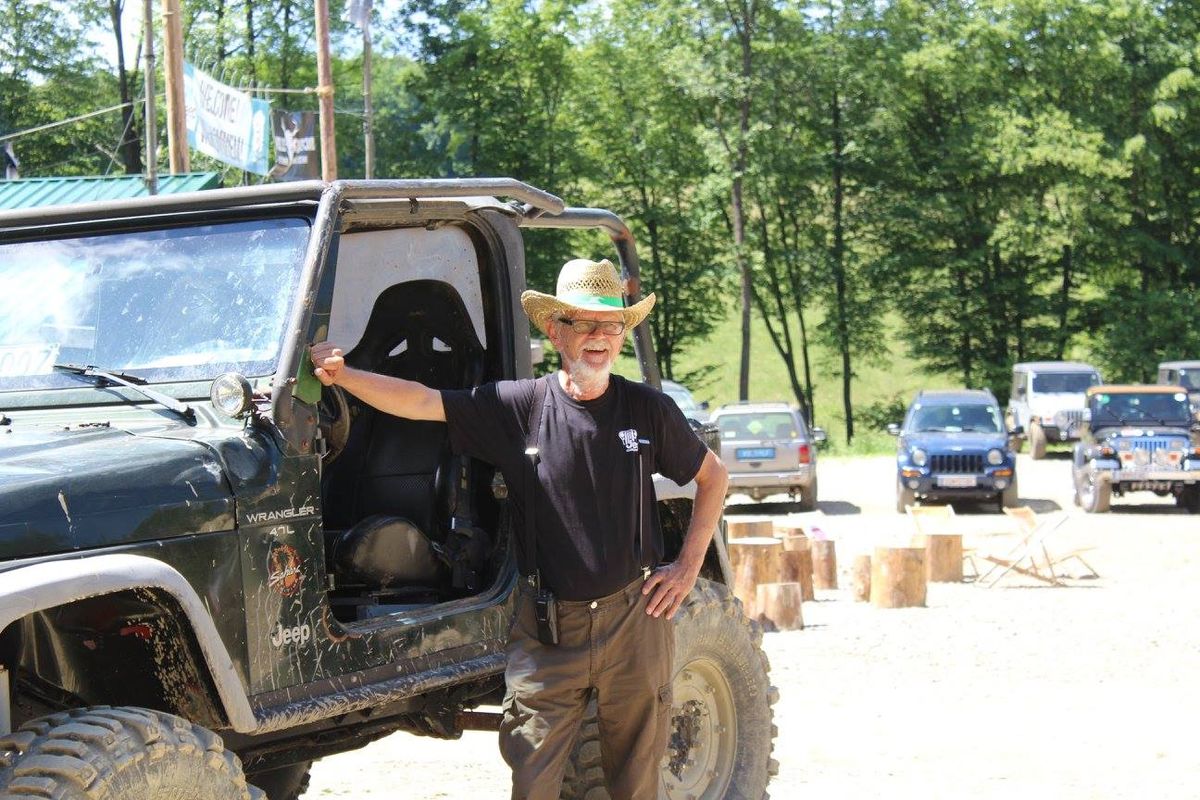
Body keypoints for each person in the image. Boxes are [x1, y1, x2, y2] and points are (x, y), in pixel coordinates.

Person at [310, 257, 728, 800]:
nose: (598, 337)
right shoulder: (519, 407)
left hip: (635, 624)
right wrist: (344, 376)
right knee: (532, 782)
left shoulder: (648, 410)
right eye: (582, 323)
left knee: (636, 783)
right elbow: (420, 402)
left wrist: (687, 567)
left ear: (622, 335)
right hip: (549, 632)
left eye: (610, 325)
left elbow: (713, 477)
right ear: (556, 331)